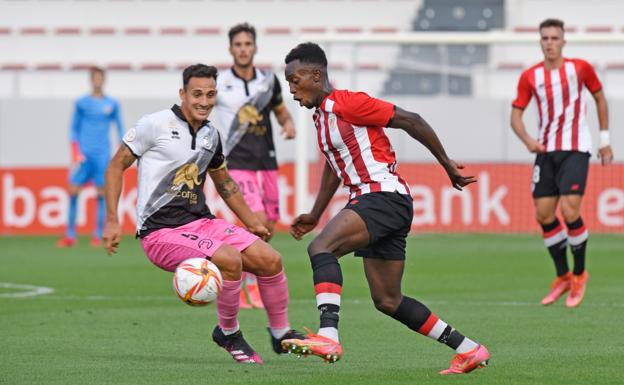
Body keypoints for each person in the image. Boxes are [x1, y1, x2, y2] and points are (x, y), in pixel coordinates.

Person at [279, 43, 489, 375]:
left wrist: (446, 164)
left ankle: (328, 335)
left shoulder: (348, 103)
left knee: (321, 248)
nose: (291, 89)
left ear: (316, 75)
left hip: (382, 196)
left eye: (294, 80)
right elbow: (336, 165)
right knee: (388, 300)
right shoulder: (323, 117)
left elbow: (411, 120)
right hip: (382, 202)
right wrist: (317, 212)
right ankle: (469, 349)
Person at [103, 64, 303, 364]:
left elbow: (225, 184)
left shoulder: (212, 135)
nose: (204, 101)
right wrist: (112, 220)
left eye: (210, 95)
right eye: (197, 94)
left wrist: (253, 224)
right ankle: (229, 332)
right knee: (230, 260)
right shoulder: (154, 124)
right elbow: (115, 166)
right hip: (159, 233)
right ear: (182, 93)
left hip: (202, 223)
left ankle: (281, 333)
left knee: (270, 259)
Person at [510, 19, 613, 308]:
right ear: (540, 41)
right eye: (545, 38)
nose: (550, 42)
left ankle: (580, 274)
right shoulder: (530, 76)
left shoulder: (579, 68)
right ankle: (563, 277)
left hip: (576, 147)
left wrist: (604, 139)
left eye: (555, 37)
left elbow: (600, 99)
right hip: (546, 150)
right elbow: (515, 115)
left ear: (563, 41)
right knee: (544, 215)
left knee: (570, 209)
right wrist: (527, 140)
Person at [215, 22, 296, 309]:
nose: (243, 49)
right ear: (231, 49)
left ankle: (249, 276)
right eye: (238, 45)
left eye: (247, 44)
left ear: (255, 48)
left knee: (269, 226)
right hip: (236, 162)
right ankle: (249, 284)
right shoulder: (220, 83)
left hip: (268, 162)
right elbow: (199, 109)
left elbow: (279, 110)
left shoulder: (268, 81)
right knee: (256, 220)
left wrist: (288, 124)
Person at [57, 66, 124, 248]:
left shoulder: (112, 104)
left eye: (100, 78)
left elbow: (119, 128)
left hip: (102, 154)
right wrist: (75, 152)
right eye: (94, 78)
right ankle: (70, 235)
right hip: (83, 155)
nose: (97, 81)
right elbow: (74, 129)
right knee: (72, 192)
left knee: (102, 194)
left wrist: (121, 148)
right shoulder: (81, 103)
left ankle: (97, 234)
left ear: (104, 80)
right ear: (91, 80)